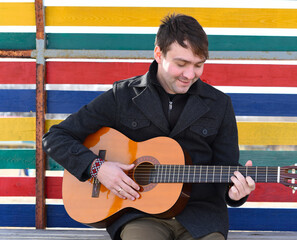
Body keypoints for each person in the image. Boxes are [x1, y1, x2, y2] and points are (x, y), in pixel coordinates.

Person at [43, 13, 255, 240]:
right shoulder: (122, 96)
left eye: (198, 65)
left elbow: (226, 170)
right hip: (138, 214)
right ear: (158, 54)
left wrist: (235, 194)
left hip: (200, 217)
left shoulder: (219, 104)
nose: (190, 74)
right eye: (181, 64)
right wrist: (98, 168)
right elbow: (55, 137)